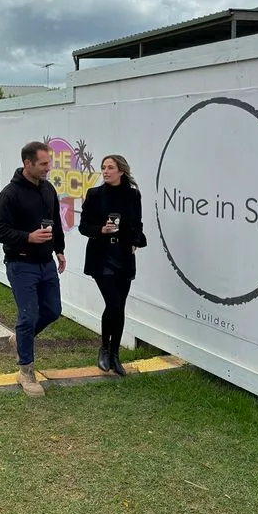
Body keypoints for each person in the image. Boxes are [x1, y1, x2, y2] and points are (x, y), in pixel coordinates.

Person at [0, 141, 66, 397]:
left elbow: (55, 222)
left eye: (49, 163)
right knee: (28, 316)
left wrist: (60, 251)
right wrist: (27, 237)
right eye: (44, 164)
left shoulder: (48, 189)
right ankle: (26, 372)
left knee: (53, 310)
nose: (48, 168)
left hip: (46, 263)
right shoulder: (10, 194)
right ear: (28, 164)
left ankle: (21, 339)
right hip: (21, 264)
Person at [79, 154, 146, 376]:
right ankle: (104, 348)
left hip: (124, 255)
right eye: (103, 168)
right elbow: (83, 226)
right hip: (101, 255)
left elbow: (137, 223)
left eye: (110, 167)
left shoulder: (133, 195)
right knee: (114, 303)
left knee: (120, 306)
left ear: (121, 171)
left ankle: (115, 355)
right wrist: (101, 230)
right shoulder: (95, 194)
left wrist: (136, 241)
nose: (105, 171)